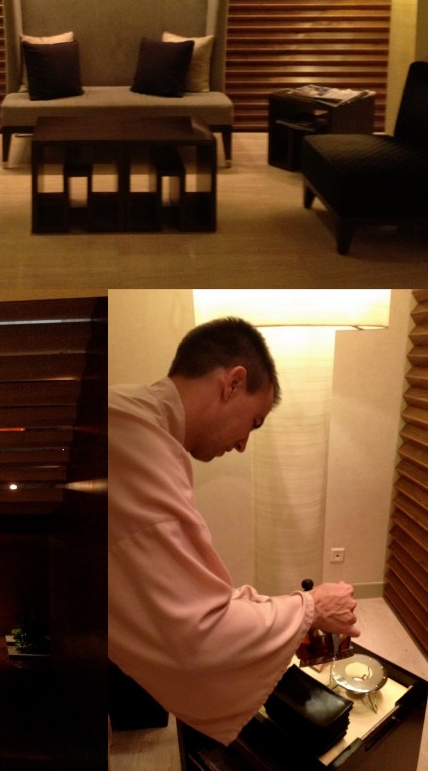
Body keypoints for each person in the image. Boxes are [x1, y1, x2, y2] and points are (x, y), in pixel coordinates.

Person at [108, 316, 360, 746]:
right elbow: (199, 638)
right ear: (234, 383)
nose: (243, 444)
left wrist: (289, 614)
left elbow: (195, 595)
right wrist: (311, 606)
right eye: (254, 422)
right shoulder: (140, 449)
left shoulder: (131, 411)